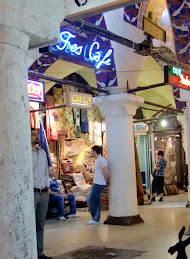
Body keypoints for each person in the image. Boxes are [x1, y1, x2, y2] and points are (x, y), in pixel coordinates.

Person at [31, 128, 52, 259]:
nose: (36, 137)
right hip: (33, 193)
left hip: (44, 193)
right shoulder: (26, 153)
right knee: (30, 223)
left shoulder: (43, 152)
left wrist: (47, 186)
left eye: (37, 134)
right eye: (33, 135)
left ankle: (40, 252)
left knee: (40, 224)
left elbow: (45, 172)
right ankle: (31, 251)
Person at [86, 146, 109, 225]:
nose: (90, 153)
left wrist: (106, 181)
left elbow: (106, 171)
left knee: (91, 199)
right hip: (97, 183)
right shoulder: (98, 160)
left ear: (94, 151)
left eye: (91, 151)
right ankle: (96, 218)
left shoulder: (101, 160)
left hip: (99, 184)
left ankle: (95, 217)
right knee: (97, 201)